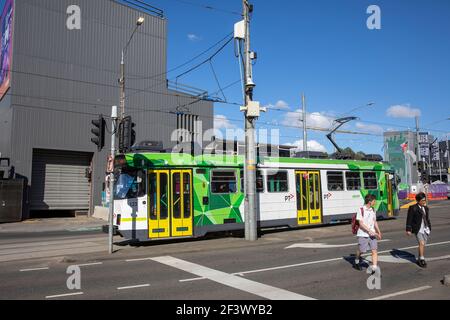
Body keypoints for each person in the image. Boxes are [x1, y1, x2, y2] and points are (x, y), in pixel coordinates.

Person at [354, 194, 382, 272]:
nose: (375, 202)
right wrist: (369, 231)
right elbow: (361, 223)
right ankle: (356, 260)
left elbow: (374, 221)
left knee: (374, 250)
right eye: (374, 201)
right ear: (370, 202)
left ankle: (374, 268)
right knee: (361, 251)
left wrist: (379, 232)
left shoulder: (373, 209)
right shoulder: (361, 209)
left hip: (372, 234)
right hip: (363, 234)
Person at [406, 192, 432, 268]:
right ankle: (422, 259)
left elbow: (427, 218)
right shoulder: (413, 208)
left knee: (423, 244)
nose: (424, 201)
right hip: (418, 229)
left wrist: (429, 227)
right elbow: (409, 219)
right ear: (418, 201)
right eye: (423, 200)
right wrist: (408, 229)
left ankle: (420, 257)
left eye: (425, 200)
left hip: (425, 229)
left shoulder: (426, 208)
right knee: (422, 243)